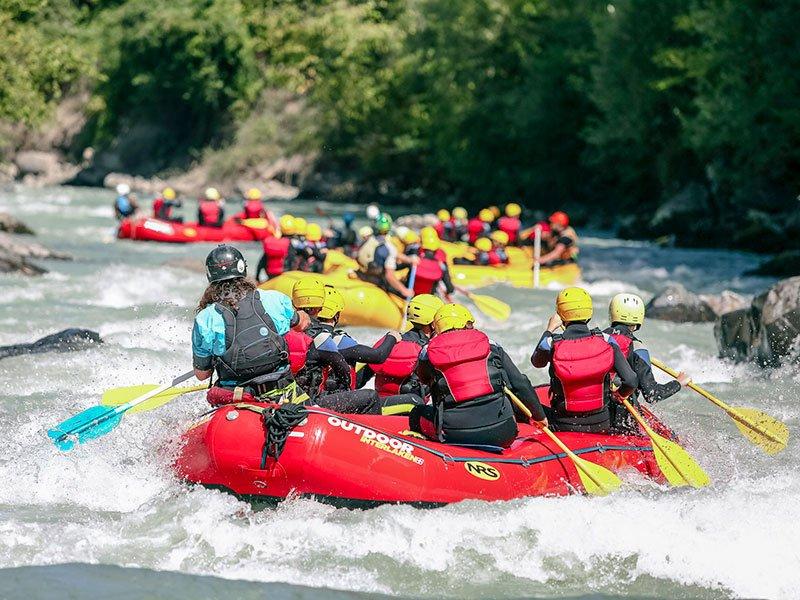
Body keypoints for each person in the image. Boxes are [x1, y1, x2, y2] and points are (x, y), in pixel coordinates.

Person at [411, 303, 547, 447]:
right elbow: (520, 383)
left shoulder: (428, 352)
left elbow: (423, 379)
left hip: (455, 434)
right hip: (504, 432)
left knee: (416, 413)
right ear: (468, 324)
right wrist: (540, 416)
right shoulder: (491, 344)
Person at [192, 244, 311, 406]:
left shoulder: (204, 318)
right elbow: (301, 325)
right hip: (283, 392)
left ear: (210, 275)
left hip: (236, 398)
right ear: (242, 269)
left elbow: (202, 374)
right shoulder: (274, 299)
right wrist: (303, 316)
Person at [530, 287, 638, 433]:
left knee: (519, 399)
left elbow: (537, 362)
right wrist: (619, 394)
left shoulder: (551, 343)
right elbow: (631, 380)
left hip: (563, 425)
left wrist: (549, 330)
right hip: (602, 423)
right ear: (589, 313)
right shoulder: (607, 340)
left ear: (560, 314)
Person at [302, 286, 422, 414]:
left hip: (306, 398)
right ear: (336, 315)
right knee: (413, 401)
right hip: (327, 402)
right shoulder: (337, 340)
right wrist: (391, 337)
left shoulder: (302, 334)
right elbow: (378, 356)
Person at [604, 293, 691, 430]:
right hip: (620, 419)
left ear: (612, 313)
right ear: (639, 318)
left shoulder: (596, 338)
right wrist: (678, 383)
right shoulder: (638, 348)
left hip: (594, 411)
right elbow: (652, 394)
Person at [359, 294, 444, 398]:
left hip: (379, 404)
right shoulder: (429, 349)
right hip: (411, 406)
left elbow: (360, 379)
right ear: (433, 323)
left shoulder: (390, 341)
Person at [356, 213, 417, 298]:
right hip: (376, 281)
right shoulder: (389, 248)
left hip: (363, 275)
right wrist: (405, 291)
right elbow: (389, 276)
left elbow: (394, 254)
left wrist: (408, 260)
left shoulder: (370, 239)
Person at [413, 227, 455, 298]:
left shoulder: (415, 253)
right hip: (430, 294)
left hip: (413, 292)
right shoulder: (441, 257)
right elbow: (447, 279)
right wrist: (449, 290)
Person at [256, 214, 296, 282]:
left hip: (270, 275)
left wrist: (257, 277)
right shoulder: (291, 244)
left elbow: (261, 262)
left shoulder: (272, 243)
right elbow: (292, 260)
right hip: (285, 275)